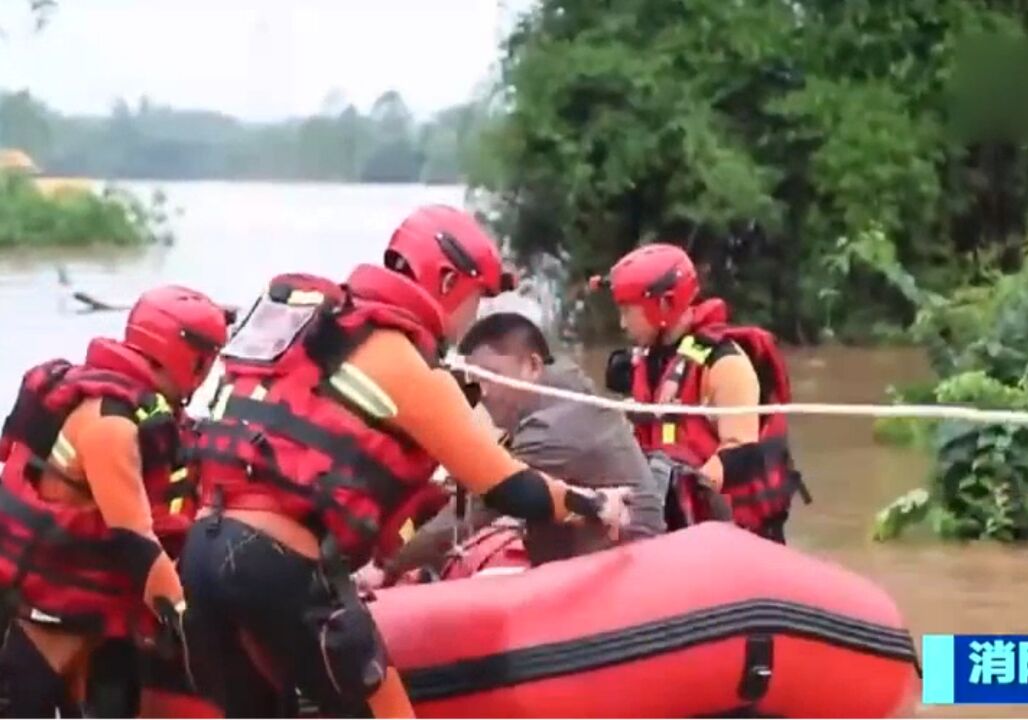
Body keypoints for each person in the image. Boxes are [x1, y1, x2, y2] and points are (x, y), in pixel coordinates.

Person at [179, 205, 632, 718]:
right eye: (476, 300)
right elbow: (510, 488)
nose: (471, 322)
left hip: (201, 553)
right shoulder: (402, 359)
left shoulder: (302, 333)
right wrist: (594, 505)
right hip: (277, 566)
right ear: (445, 281)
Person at [0, 285, 230, 717]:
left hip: (78, 608)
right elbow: (135, 541)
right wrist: (186, 621)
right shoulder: (112, 425)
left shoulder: (85, 395)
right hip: (44, 612)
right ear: (194, 360)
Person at [380, 311, 666, 579]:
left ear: (532, 365)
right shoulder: (563, 395)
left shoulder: (553, 429)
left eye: (493, 375)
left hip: (626, 572)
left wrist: (386, 568)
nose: (483, 392)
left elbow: (474, 509)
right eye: (476, 380)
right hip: (601, 563)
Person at [595, 243, 810, 544]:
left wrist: (689, 486)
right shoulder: (648, 361)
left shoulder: (725, 363)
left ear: (665, 305)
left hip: (726, 535)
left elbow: (741, 451)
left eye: (628, 312)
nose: (621, 323)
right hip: (666, 525)